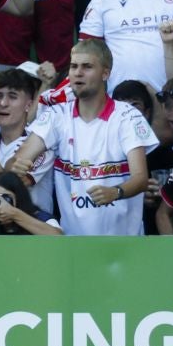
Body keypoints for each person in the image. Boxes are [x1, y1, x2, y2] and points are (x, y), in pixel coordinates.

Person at [40, 39, 157, 236]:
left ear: (105, 73)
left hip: (126, 246)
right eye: (74, 66)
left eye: (87, 67)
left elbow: (140, 178)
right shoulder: (56, 115)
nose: (78, 72)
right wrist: (20, 164)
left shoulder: (128, 116)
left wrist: (115, 192)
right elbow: (22, 158)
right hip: (74, 246)